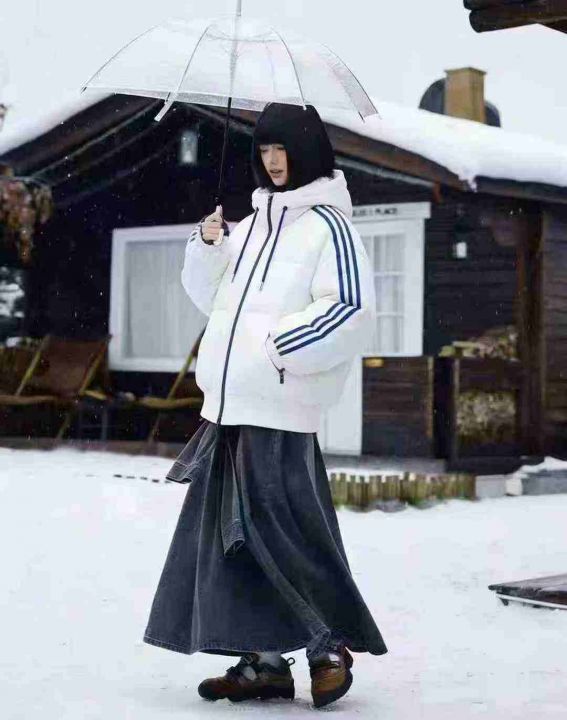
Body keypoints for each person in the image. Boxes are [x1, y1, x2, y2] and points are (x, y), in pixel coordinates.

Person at [142, 102, 388, 709]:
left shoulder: (329, 227)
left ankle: (328, 647)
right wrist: (207, 247)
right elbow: (211, 299)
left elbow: (351, 309)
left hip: (279, 411)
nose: (273, 161)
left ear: (308, 152)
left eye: (283, 149)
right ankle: (266, 663)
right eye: (264, 151)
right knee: (232, 541)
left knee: (286, 534)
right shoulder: (249, 227)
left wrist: (279, 348)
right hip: (227, 412)